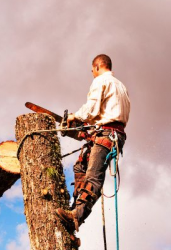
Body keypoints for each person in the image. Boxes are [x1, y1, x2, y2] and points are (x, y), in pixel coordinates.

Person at [55, 54, 131, 232]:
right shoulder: (121, 87)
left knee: (93, 178)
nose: (92, 74)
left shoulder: (101, 81)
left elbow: (91, 108)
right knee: (80, 168)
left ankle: (76, 216)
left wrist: (75, 117)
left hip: (108, 134)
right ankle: (75, 208)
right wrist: (86, 127)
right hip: (109, 132)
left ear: (97, 67)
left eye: (92, 71)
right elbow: (105, 114)